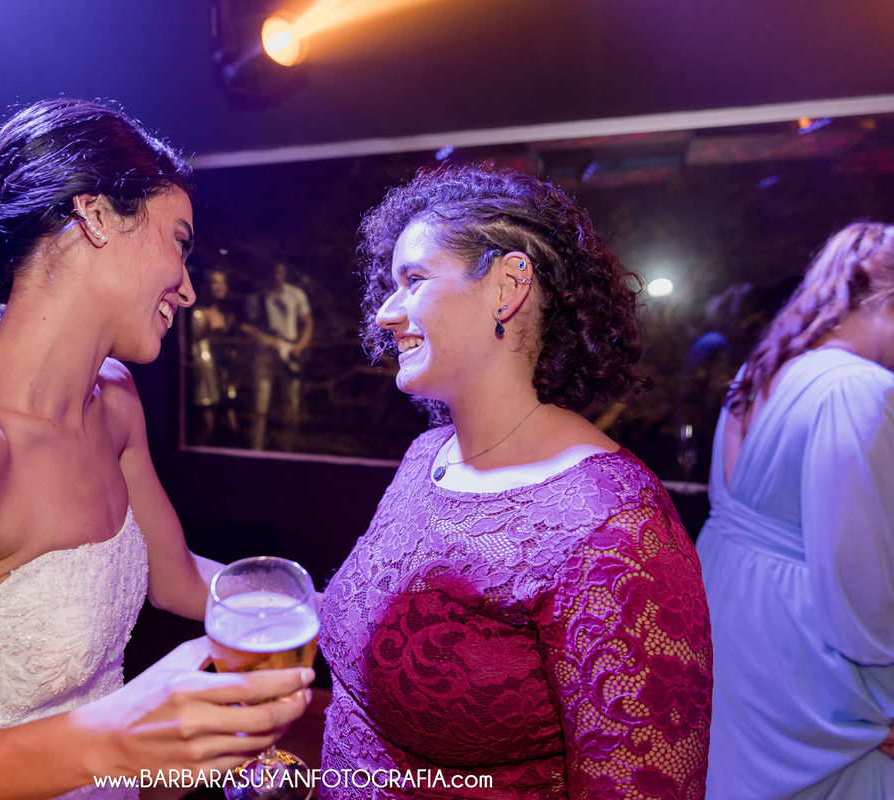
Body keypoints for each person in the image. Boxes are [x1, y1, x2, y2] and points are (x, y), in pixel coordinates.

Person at [0, 99, 313, 800]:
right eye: (179, 243)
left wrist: (334, 608)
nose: (190, 289)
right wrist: (108, 742)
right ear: (95, 215)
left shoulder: (116, 401)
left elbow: (176, 579)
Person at [319, 165, 712, 798]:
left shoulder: (614, 528)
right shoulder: (426, 459)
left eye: (414, 279)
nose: (386, 314)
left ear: (507, 285)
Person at [696, 222, 894, 799]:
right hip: (805, 659)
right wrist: (886, 698)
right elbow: (859, 575)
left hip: (729, 622)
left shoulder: (760, 371)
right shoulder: (858, 389)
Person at [241, 260, 312, 450]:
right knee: (260, 405)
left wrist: (300, 346)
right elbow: (248, 326)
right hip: (265, 353)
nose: (276, 274)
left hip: (290, 352)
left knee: (291, 403)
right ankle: (256, 448)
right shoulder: (257, 297)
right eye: (273, 271)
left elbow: (308, 322)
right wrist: (261, 338)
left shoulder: (295, 294)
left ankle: (287, 449)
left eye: (280, 271)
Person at [188, 268, 242, 445]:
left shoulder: (228, 316)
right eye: (215, 282)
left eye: (222, 282)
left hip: (225, 377)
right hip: (206, 376)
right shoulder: (199, 314)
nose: (219, 287)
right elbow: (195, 343)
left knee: (229, 425)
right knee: (207, 426)